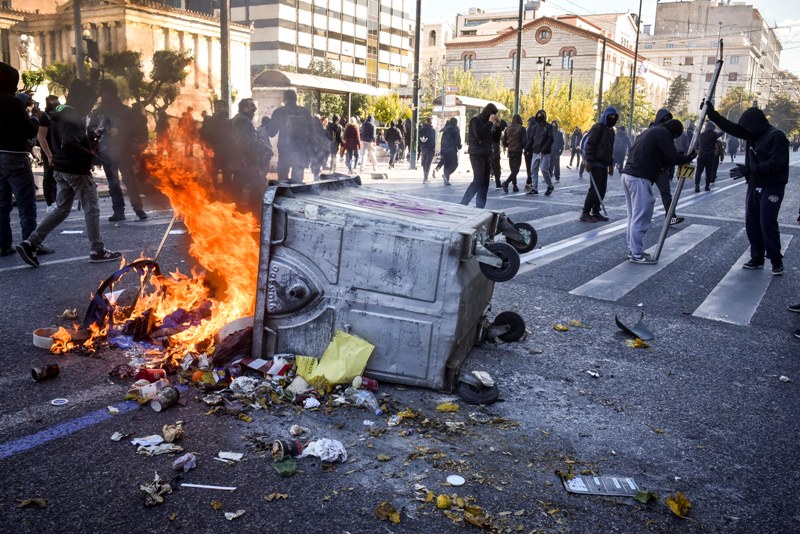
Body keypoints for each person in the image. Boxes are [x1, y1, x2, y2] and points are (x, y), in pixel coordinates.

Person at [16, 79, 121, 267]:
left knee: (61, 210)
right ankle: (97, 250)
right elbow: (70, 143)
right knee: (92, 208)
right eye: (89, 102)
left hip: (61, 169)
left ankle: (31, 242)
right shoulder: (73, 116)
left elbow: (63, 140)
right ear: (82, 100)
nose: (90, 107)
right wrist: (92, 158)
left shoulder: (58, 112)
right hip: (76, 171)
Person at [706, 102, 790, 275]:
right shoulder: (752, 134)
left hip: (772, 186)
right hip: (754, 184)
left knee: (767, 222)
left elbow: (777, 164)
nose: (745, 132)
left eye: (747, 127)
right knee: (752, 223)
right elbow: (732, 128)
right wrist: (713, 115)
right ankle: (757, 257)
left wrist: (750, 169)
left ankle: (776, 260)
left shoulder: (776, 136)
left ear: (756, 124)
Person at [620, 118, 696, 263]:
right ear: (674, 132)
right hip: (639, 177)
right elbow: (672, 157)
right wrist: (688, 157)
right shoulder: (663, 134)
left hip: (628, 174)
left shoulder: (650, 131)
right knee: (642, 215)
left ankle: (634, 250)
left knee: (633, 216)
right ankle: (637, 254)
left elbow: (661, 157)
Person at [89, 79, 147, 221]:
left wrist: (129, 140)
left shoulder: (125, 111)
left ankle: (138, 209)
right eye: (104, 93)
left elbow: (135, 130)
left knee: (129, 181)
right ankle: (119, 211)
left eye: (108, 93)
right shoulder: (98, 112)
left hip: (123, 150)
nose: (106, 96)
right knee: (113, 183)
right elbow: (90, 131)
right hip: (106, 152)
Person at [0, 62, 39, 258]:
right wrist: (34, 118)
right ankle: (30, 243)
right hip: (14, 156)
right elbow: (30, 130)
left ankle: (3, 244)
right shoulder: (13, 102)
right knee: (26, 203)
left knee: (2, 203)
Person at [580, 107, 618, 222]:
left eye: (614, 117)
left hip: (603, 164)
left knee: (602, 189)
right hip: (595, 163)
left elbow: (610, 149)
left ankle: (596, 211)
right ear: (605, 116)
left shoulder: (611, 131)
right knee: (594, 189)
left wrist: (610, 164)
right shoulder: (598, 127)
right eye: (610, 117)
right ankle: (585, 212)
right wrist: (589, 161)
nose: (612, 119)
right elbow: (590, 144)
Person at [268, 89, 314, 184]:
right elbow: (312, 132)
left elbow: (272, 133)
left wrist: (266, 122)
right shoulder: (304, 112)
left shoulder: (279, 112)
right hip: (301, 151)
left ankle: (284, 195)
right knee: (297, 179)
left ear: (284, 99)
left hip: (285, 150)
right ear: (296, 99)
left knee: (282, 179)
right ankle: (296, 196)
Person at [460, 103, 498, 208]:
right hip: (476, 153)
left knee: (485, 182)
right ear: (487, 112)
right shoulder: (475, 121)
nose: (492, 115)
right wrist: (490, 123)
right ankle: (463, 203)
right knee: (478, 179)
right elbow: (479, 135)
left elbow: (495, 139)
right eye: (492, 113)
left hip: (486, 154)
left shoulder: (489, 124)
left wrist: (498, 126)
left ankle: (480, 206)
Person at [651, 109, 685, 226]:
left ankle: (671, 216)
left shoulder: (667, 133)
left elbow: (669, 151)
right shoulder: (653, 131)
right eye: (664, 119)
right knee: (644, 195)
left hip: (661, 168)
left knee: (666, 193)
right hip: (649, 168)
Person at [230, 98, 263, 207]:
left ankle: (238, 213)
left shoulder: (243, 119)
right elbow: (242, 142)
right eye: (252, 106)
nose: (255, 108)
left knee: (238, 189)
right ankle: (253, 213)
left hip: (243, 162)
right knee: (258, 186)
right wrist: (247, 160)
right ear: (244, 108)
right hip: (245, 163)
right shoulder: (242, 120)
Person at [36, 94, 60, 208]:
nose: (57, 103)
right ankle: (50, 204)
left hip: (58, 150)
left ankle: (57, 202)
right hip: (48, 150)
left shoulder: (57, 115)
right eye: (54, 101)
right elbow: (41, 137)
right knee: (49, 176)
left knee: (58, 177)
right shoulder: (45, 117)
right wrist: (49, 155)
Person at [524, 110, 554, 196]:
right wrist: (526, 148)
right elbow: (531, 139)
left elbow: (550, 139)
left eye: (541, 116)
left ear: (544, 117)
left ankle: (550, 186)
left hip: (545, 152)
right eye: (538, 116)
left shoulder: (548, 127)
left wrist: (544, 149)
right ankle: (534, 188)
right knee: (533, 170)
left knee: (544, 169)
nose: (539, 118)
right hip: (535, 151)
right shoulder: (534, 128)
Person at [695, 121, 724, 192]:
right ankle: (706, 187)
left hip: (701, 155)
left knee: (698, 171)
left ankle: (697, 185)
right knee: (708, 172)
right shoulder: (714, 135)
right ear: (712, 128)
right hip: (710, 156)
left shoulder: (701, 135)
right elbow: (722, 132)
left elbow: (696, 145)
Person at [501, 114, 526, 193]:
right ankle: (506, 183)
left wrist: (508, 145)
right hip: (518, 151)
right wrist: (522, 146)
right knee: (516, 169)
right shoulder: (522, 128)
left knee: (513, 169)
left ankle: (515, 186)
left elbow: (503, 142)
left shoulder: (508, 129)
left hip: (510, 151)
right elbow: (524, 141)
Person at [438, 117, 461, 186]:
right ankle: (446, 175)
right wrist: (459, 146)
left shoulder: (445, 129)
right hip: (452, 149)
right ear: (456, 123)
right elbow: (458, 140)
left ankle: (446, 181)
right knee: (454, 164)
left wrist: (441, 150)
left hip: (444, 149)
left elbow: (442, 140)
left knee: (446, 164)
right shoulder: (456, 130)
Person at [418, 117, 436, 183]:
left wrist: (421, 146)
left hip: (423, 148)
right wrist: (434, 149)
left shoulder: (421, 129)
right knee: (428, 163)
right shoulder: (432, 130)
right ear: (431, 122)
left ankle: (425, 178)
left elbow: (419, 139)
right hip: (430, 148)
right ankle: (425, 179)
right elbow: (433, 141)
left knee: (424, 163)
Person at [490, 119, 507, 188]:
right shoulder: (496, 130)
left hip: (494, 151)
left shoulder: (495, 129)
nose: (503, 129)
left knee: (495, 168)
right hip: (494, 152)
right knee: (496, 168)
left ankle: (497, 182)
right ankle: (498, 183)